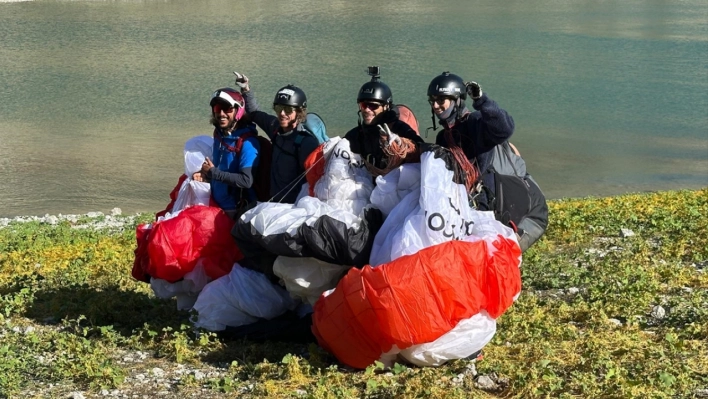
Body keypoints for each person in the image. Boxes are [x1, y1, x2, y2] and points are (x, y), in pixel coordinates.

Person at [428, 71, 547, 251]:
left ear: (457, 100)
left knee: (497, 265)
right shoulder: (443, 138)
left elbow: (504, 128)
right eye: (432, 100)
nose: (436, 106)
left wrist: (481, 101)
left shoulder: (475, 123)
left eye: (441, 100)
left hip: (512, 213)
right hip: (478, 213)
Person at [233, 72, 320, 204]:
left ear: (299, 112)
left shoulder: (306, 142)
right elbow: (255, 113)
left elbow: (316, 180)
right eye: (279, 108)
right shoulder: (275, 128)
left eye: (288, 109)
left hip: (294, 210)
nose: (282, 113)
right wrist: (246, 89)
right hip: (272, 204)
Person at [193, 88, 260, 219]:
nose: (221, 114)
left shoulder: (248, 143)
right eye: (218, 108)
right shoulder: (219, 134)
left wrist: (213, 173)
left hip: (235, 210)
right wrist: (205, 173)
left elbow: (246, 181)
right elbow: (220, 165)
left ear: (238, 111)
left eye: (227, 109)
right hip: (215, 203)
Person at [344, 67, 424, 173]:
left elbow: (422, 152)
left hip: (396, 185)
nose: (367, 110)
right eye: (363, 105)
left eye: (373, 106)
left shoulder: (401, 129)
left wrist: (401, 145)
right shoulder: (354, 135)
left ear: (386, 107)